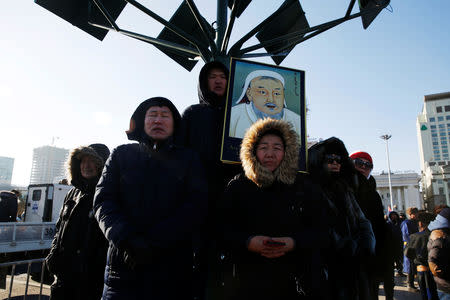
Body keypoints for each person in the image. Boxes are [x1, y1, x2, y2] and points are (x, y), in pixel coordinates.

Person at [94, 97, 208, 300]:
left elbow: (195, 205)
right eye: (152, 115)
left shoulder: (189, 159)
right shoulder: (121, 154)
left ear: (175, 124)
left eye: (165, 116)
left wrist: (155, 241)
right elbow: (104, 201)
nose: (158, 120)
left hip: (172, 273)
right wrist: (126, 239)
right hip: (122, 271)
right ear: (141, 121)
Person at [221, 118, 329, 300]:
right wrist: (247, 241)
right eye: (263, 147)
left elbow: (322, 231)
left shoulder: (305, 188)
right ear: (252, 151)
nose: (270, 154)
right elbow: (222, 228)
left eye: (277, 148)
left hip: (295, 282)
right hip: (247, 281)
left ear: (287, 152)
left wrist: (294, 242)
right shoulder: (238, 187)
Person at [180, 61, 241, 299]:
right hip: (198, 199)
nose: (218, 81)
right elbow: (179, 154)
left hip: (232, 199)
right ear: (204, 82)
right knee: (198, 260)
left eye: (223, 77)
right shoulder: (192, 114)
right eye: (212, 77)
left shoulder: (241, 116)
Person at [309, 137, 375, 300]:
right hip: (327, 267)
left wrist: (366, 243)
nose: (335, 163)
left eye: (338, 159)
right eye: (330, 159)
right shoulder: (311, 190)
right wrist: (341, 244)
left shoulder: (345, 189)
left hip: (353, 266)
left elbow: (362, 221)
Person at [45, 143, 110, 300]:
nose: (86, 165)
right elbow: (59, 228)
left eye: (92, 161)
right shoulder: (73, 193)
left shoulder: (109, 194)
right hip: (63, 279)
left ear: (102, 164)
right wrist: (53, 255)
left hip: (92, 283)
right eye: (82, 161)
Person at [349, 151, 393, 300]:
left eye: (368, 165)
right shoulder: (342, 187)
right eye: (358, 163)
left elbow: (379, 229)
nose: (363, 167)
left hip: (370, 259)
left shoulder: (373, 194)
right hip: (348, 258)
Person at [229, 70, 301, 139]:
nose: (271, 99)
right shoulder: (233, 115)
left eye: (276, 93)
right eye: (263, 92)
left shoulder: (297, 121)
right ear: (249, 93)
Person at [405, 211, 439, 300]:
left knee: (426, 294)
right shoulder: (439, 234)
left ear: (420, 223)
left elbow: (408, 253)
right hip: (439, 270)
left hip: (423, 270)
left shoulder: (415, 236)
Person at [428, 207, 450, 299]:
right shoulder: (440, 237)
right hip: (446, 285)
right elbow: (433, 261)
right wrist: (445, 275)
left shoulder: (441, 234)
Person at [403, 206, 420, 291]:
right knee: (410, 265)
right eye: (415, 213)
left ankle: (412, 283)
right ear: (411, 214)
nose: (417, 215)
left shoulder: (415, 222)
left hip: (415, 245)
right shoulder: (407, 223)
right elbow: (407, 236)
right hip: (410, 246)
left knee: (413, 265)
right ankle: (410, 284)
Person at [388, 211, 406, 277]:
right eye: (392, 215)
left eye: (394, 215)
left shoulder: (400, 222)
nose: (394, 216)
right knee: (393, 259)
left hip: (400, 243)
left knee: (400, 258)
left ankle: (400, 271)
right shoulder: (389, 224)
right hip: (392, 244)